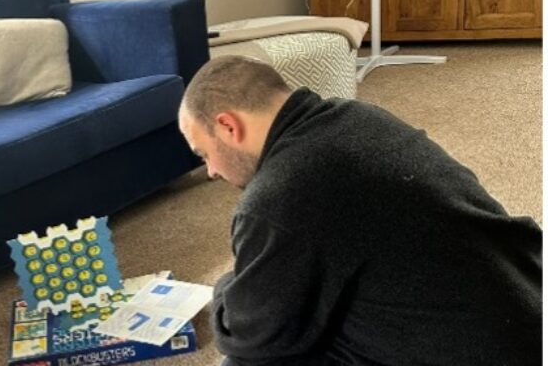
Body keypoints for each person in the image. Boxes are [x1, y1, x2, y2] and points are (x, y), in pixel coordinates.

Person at [178, 55, 541, 365]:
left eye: (204, 154)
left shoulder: (280, 195)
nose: (211, 171)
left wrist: (226, 285)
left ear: (227, 125)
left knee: (253, 358)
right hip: (526, 304)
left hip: (483, 351)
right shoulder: (357, 116)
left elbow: (247, 334)